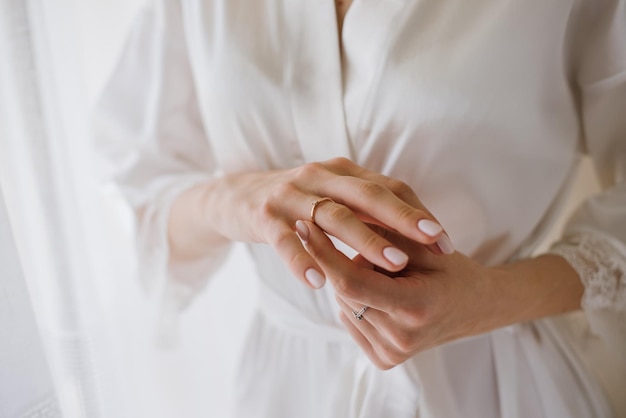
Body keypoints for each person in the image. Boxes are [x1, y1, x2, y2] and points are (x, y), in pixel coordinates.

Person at [95, 0, 626, 416]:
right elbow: (136, 192)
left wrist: (489, 298)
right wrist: (237, 200)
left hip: (492, 385)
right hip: (286, 390)